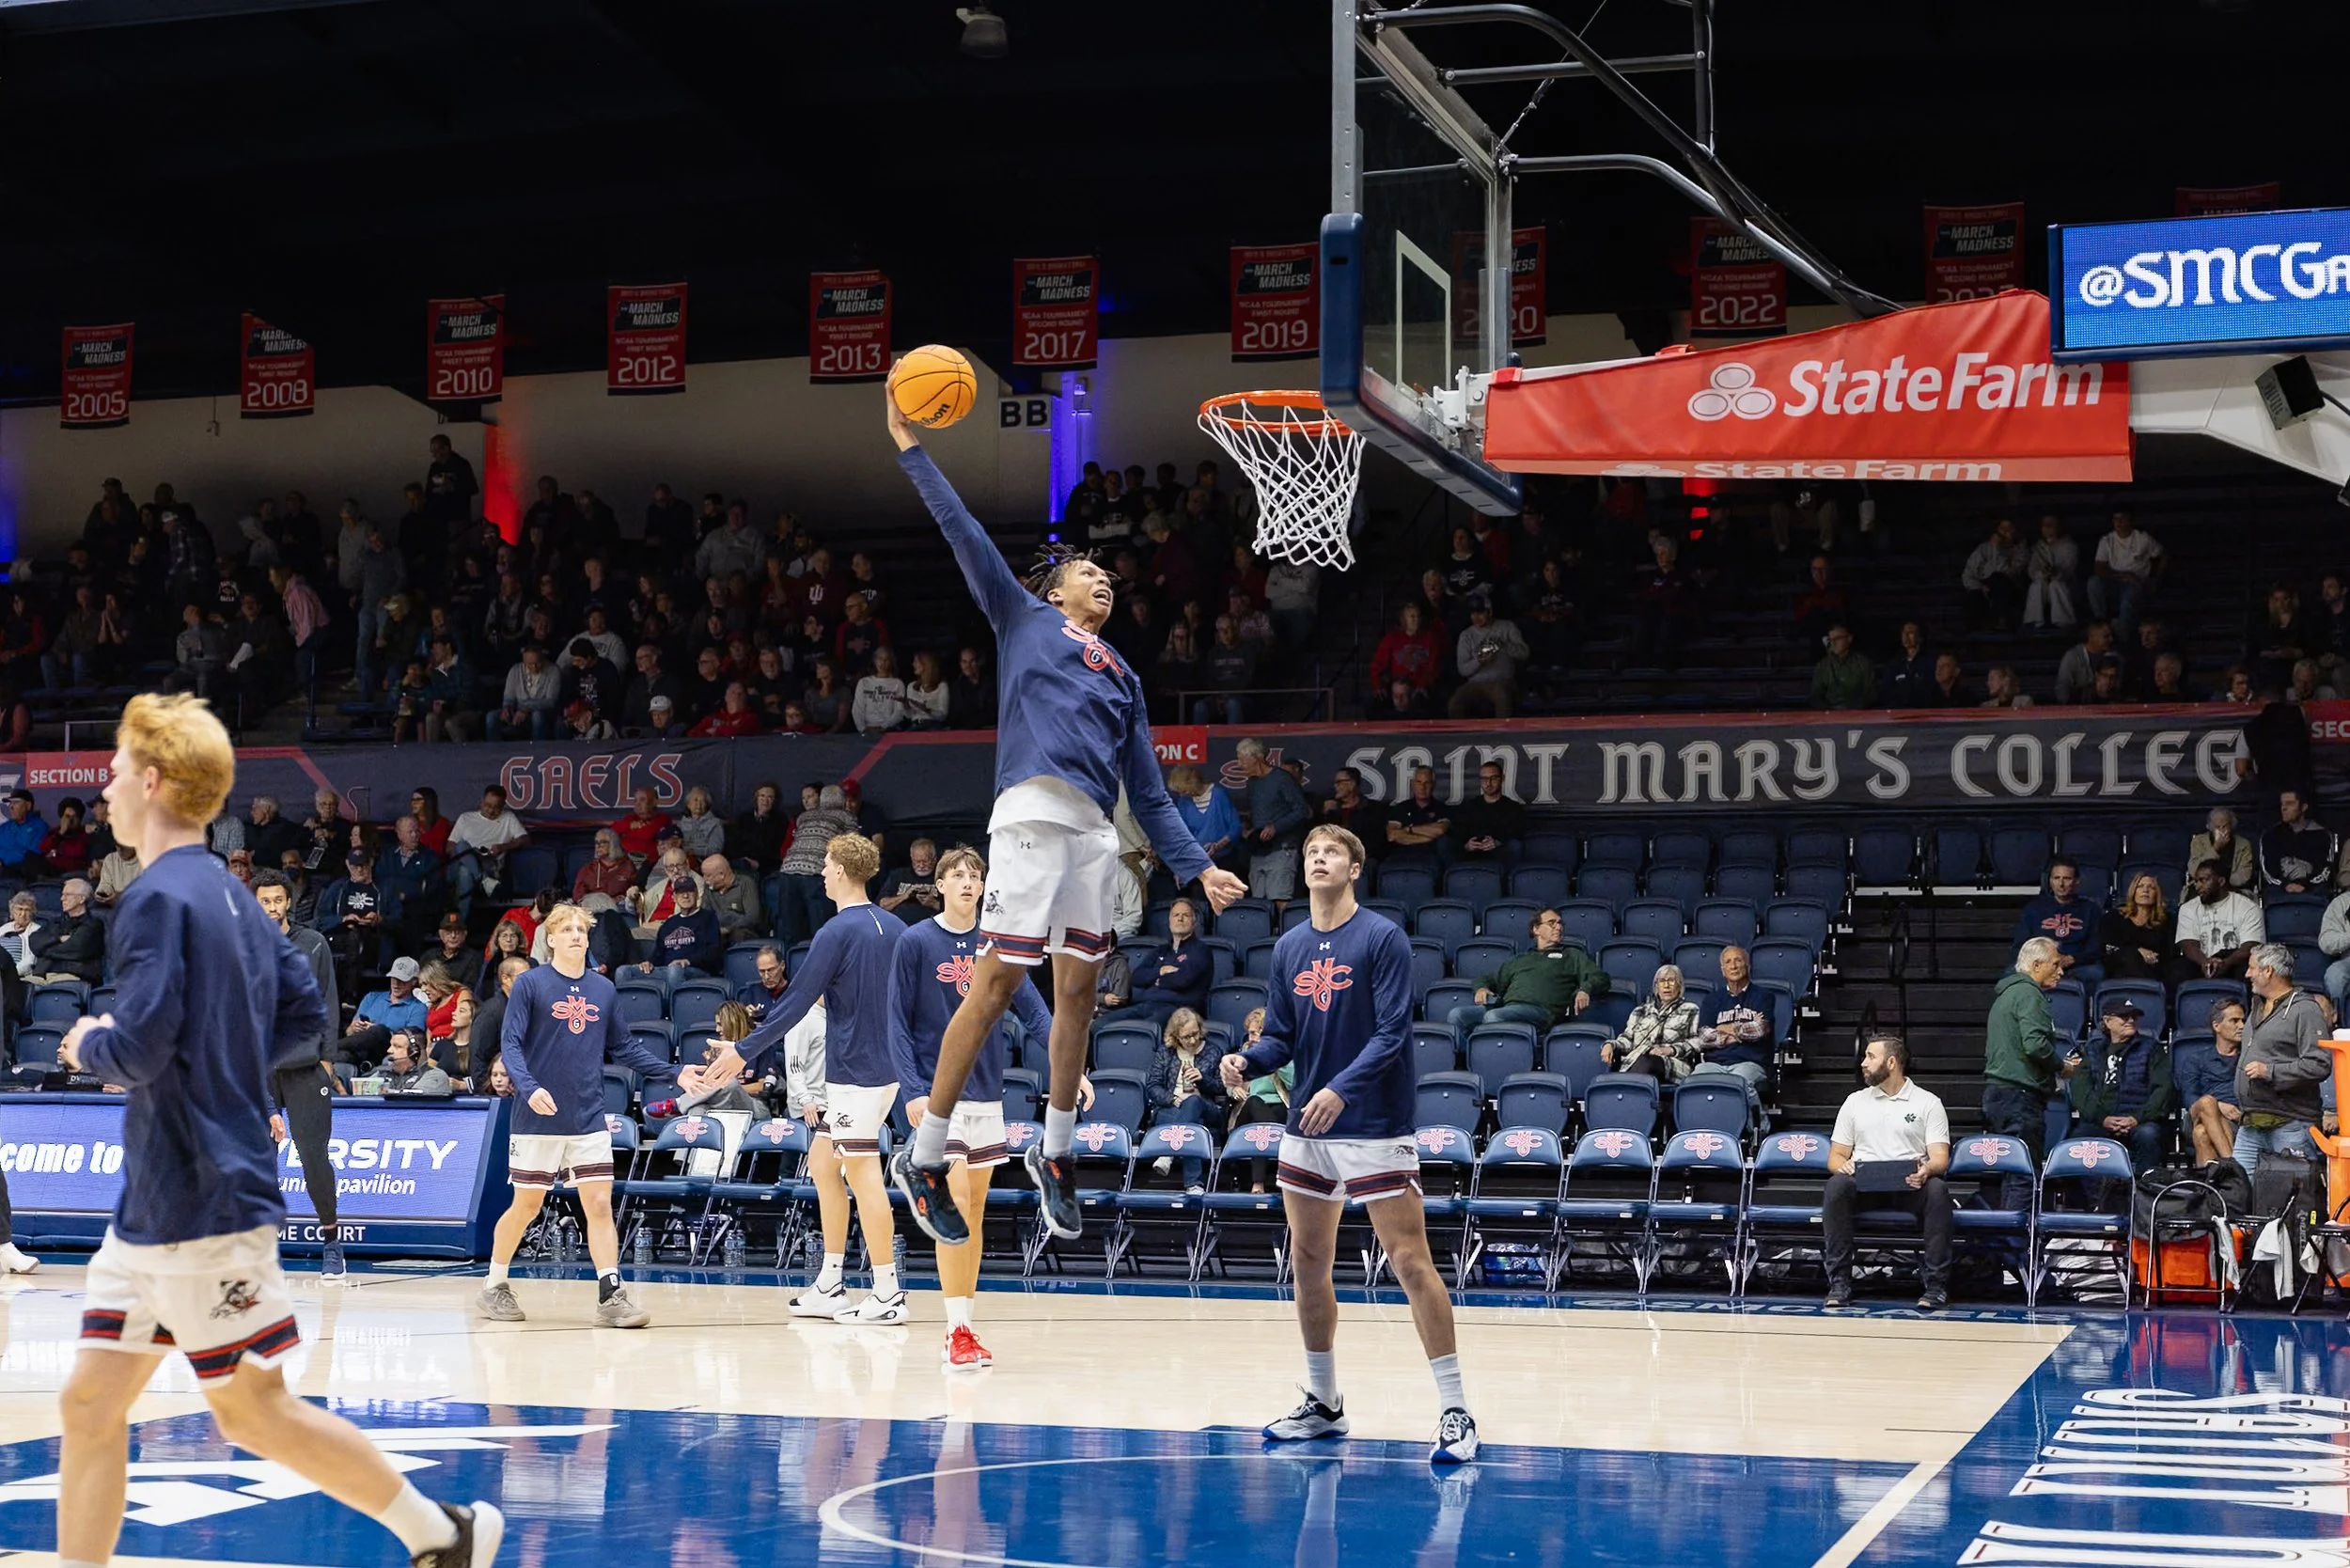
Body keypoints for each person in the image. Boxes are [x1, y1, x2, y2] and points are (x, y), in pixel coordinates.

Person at [55, 694, 501, 1568]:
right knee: (88, 1405)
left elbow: (137, 1048)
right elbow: (303, 1009)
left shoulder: (153, 900)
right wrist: (223, 1058)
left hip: (202, 1200)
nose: (104, 787)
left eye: (112, 771)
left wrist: (86, 1043)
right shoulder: (236, 898)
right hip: (156, 1199)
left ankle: (439, 1534)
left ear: (150, 780)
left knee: (250, 1410)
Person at [884, 391, 1246, 1250]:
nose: (1105, 581)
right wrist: (909, 450)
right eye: (1092, 573)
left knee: (1077, 992)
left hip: (1093, 833)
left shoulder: (1122, 672)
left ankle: (1054, 1153)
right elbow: (963, 531)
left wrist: (1197, 867)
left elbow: (1151, 794)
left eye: (1111, 578)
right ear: (1054, 587)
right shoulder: (1023, 617)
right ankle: (926, 1151)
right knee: (1000, 984)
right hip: (1030, 817)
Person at [1218, 824, 1477, 1464]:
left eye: (1331, 852)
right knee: (1307, 1260)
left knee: (1410, 1261)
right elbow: (1280, 1035)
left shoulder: (1382, 937)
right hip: (1308, 1126)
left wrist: (1339, 1089)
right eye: (1310, 853)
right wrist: (1245, 1062)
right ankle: (1325, 1403)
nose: (1318, 860)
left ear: (1354, 867)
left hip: (1374, 1122)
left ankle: (1456, 1410)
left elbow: (1392, 1034)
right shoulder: (1288, 947)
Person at [689, 834, 906, 1321]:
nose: (822, 872)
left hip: (857, 1072)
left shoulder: (836, 931)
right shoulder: (895, 926)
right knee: (824, 1162)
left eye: (827, 864)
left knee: (862, 1174)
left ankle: (888, 1291)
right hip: (885, 1066)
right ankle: (831, 1281)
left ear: (843, 871)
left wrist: (743, 1049)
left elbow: (796, 1001)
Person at [887, 845, 1057, 1369]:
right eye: (956, 874)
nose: (966, 881)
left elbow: (1033, 1011)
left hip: (986, 1093)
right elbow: (895, 1021)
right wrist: (912, 1090)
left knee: (975, 1210)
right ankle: (955, 1329)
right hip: (937, 1095)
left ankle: (963, 1326)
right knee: (955, 1202)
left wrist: (1072, 1069)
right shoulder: (916, 941)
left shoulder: (998, 946)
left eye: (974, 874)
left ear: (984, 887)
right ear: (939, 885)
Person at [478, 902, 676, 1329]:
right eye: (566, 929)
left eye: (581, 930)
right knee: (527, 1205)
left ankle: (611, 1294)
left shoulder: (603, 989)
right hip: (538, 1116)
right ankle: (495, 1285)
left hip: (588, 1114)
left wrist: (675, 1072)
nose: (575, 936)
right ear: (550, 939)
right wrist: (529, 1090)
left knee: (600, 1203)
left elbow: (625, 1048)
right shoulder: (530, 984)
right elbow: (510, 1046)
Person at [251, 871, 344, 1280]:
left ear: (288, 902)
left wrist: (327, 1059)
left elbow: (328, 1001)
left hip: (307, 1068)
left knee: (313, 1157)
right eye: (264, 901)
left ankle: (331, 1240)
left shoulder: (313, 943)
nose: (272, 908)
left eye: (278, 900)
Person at [1821, 1034, 1953, 1311]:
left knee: (1938, 1189)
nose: (1863, 1063)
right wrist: (1841, 1166)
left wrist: (1927, 1169)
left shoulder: (1928, 1102)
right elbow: (1835, 1156)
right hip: (1866, 1186)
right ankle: (1840, 1282)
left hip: (1909, 1186)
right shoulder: (1855, 1102)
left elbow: (1941, 1158)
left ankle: (1936, 1286)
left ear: (1891, 1062)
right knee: (1836, 1185)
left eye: (1871, 1057)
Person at [1982, 938, 2079, 1209]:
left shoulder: (2007, 995)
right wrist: (2063, 1067)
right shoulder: (2029, 994)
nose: (2061, 971)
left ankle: (2006, 1245)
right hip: (2020, 1097)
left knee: (2011, 1173)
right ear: (2036, 965)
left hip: (1999, 1094)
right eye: (2056, 965)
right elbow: (2035, 1045)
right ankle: (2018, 1248)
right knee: (2024, 1175)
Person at [2234, 944, 2328, 1178]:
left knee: (2294, 1200)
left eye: (2251, 968)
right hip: (2251, 1122)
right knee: (2238, 1193)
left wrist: (2271, 1072)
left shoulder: (2305, 1010)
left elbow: (2320, 1064)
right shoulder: (2256, 1006)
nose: (2247, 974)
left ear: (2268, 971)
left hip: (2290, 1124)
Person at [1447, 909, 1606, 1040]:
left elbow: (1601, 978)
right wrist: (1481, 988)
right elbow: (1488, 979)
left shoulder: (1571, 955)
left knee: (1494, 1017)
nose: (1558, 927)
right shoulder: (1520, 959)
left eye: (1560, 923)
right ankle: (1469, 1058)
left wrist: (1585, 988)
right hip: (1507, 1008)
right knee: (1457, 1015)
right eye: (1552, 923)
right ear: (1536, 929)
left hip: (1541, 1012)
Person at [1146, 1007, 1229, 1193]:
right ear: (1176, 1037)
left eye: (1195, 1034)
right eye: (1186, 1037)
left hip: (1207, 1107)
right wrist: (1173, 1098)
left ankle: (1168, 1152)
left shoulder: (1214, 1051)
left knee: (1193, 1102)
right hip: (1172, 1108)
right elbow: (1153, 1086)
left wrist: (1203, 1079)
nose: (1192, 1040)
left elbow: (1223, 1087)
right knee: (1192, 1122)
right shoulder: (1165, 1053)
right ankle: (1194, 1184)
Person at [1103, 898, 1214, 1025]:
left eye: (1186, 915)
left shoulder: (1201, 950)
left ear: (1194, 923)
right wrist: (1160, 971)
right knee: (1100, 1024)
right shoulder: (1161, 950)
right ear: (1169, 921)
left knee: (1144, 1030)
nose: (1180, 918)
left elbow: (1182, 980)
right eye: (1176, 915)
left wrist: (1157, 981)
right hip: (1145, 1005)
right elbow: (1137, 977)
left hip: (1179, 1010)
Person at [1237, 737, 1310, 909]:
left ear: (1255, 757)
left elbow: (1301, 810)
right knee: (1259, 904)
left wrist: (1276, 827)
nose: (1239, 764)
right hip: (1259, 850)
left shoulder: (1282, 779)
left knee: (1279, 898)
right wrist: (1247, 828)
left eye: (1242, 759)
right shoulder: (1252, 783)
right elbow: (1255, 813)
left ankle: (1285, 935)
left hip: (1281, 848)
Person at [1695, 945, 1776, 1094]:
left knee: (1737, 1086)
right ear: (1723, 970)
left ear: (1748, 965)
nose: (1733, 966)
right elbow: (1704, 1038)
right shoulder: (1711, 1000)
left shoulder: (1764, 996)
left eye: (1738, 960)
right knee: (1695, 1084)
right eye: (1728, 962)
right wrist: (1743, 1032)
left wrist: (1724, 1029)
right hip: (1714, 1064)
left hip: (1750, 1063)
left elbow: (1760, 1030)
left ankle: (1758, 1119)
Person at [1601, 965, 1702, 1083]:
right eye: (1662, 981)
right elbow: (1627, 1040)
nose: (1666, 985)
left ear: (1679, 985)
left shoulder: (1690, 1009)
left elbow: (1696, 1042)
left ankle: (1624, 1090)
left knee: (1650, 1061)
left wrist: (1671, 1049)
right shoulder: (1640, 1011)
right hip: (1637, 1062)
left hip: (1673, 1064)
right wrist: (1610, 1045)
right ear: (1656, 986)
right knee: (1643, 1062)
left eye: (1671, 980)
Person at [445, 785, 531, 921]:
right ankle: (483, 880)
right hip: (461, 864)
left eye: (496, 807)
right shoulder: (466, 818)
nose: (491, 810)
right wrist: (471, 854)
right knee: (462, 847)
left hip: (490, 865)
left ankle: (459, 925)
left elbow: (525, 840)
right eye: (487, 805)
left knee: (465, 872)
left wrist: (503, 847)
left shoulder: (508, 818)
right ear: (481, 801)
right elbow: (450, 848)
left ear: (503, 806)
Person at [2011, 858, 2102, 984]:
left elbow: (2096, 947)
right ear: (2050, 881)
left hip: (2077, 966)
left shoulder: (2091, 910)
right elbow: (2020, 945)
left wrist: (2073, 959)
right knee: (2010, 974)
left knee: (2095, 973)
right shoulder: (2033, 909)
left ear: (2076, 882)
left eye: (2067, 879)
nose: (2061, 884)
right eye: (2056, 878)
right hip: (2040, 964)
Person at [2177, 858, 2264, 980]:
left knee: (2247, 967)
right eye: (2196, 881)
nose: (2197, 886)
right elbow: (2188, 945)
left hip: (2233, 965)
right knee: (2178, 968)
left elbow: (2250, 946)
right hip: (2199, 965)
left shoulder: (2248, 907)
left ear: (2221, 881)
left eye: (2203, 880)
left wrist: (2225, 964)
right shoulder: (2188, 908)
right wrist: (2205, 963)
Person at [2184, 998, 2247, 1164]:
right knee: (2207, 1102)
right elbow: (2189, 1097)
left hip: (2237, 1119)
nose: (2241, 1026)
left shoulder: (2248, 1059)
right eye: (2234, 1021)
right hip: (2198, 1114)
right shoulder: (2197, 1060)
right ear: (2216, 1026)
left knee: (2202, 1133)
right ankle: (2234, 1165)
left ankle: (2210, 1187)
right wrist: (2217, 1107)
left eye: (2243, 1021)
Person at [1448, 593, 1529, 719]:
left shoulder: (1506, 627)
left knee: (1502, 696)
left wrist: (1503, 645)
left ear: (1489, 612)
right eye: (1473, 613)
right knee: (1455, 702)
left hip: (1501, 680)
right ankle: (1463, 738)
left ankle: (1502, 736)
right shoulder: (1466, 635)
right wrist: (1480, 661)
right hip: (1475, 683)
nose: (1476, 617)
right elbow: (1463, 669)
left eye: (1480, 612)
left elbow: (1524, 653)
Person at [2099, 872, 2180, 985]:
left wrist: (2153, 958)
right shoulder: (2114, 917)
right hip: (2121, 969)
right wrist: (2138, 951)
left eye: (2151, 887)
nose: (2145, 890)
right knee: (2130, 957)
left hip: (2155, 970)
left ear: (2157, 894)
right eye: (2140, 886)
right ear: (2133, 891)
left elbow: (2169, 954)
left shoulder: (2166, 921)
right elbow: (2107, 948)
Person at [1447, 760, 1525, 865]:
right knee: (1446, 844)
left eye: (1494, 778)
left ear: (1502, 779)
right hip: (1472, 854)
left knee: (1515, 845)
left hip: (1500, 854)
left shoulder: (1513, 807)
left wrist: (1497, 842)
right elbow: (1457, 832)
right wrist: (1467, 845)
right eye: (1484, 779)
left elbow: (1517, 832)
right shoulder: (1469, 806)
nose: (1489, 783)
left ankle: (1509, 880)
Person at [2260, 789, 2337, 893]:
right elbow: (2267, 871)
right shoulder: (2270, 835)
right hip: (2278, 891)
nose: (2284, 808)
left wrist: (2305, 885)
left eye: (2290, 803)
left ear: (2304, 807)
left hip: (2314, 891)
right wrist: (2285, 884)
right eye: (2282, 804)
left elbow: (2325, 869)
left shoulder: (2323, 835)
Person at [1167, 763, 1242, 870]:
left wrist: (1217, 845)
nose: (1182, 795)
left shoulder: (1218, 794)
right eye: (1179, 792)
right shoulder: (1184, 802)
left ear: (1193, 782)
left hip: (1225, 859)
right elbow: (1184, 834)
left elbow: (1235, 827)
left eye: (1184, 791)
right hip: (1198, 862)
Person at [642, 876, 723, 976]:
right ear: (674, 897)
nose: (685, 896)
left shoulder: (708, 918)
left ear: (697, 894)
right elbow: (658, 954)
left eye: (690, 891)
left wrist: (688, 961)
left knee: (675, 970)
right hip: (665, 971)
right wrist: (649, 963)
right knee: (624, 971)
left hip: (695, 970)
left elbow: (713, 952)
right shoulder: (668, 924)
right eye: (681, 892)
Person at [1961, 519, 2027, 630]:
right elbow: (1968, 574)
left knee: (1999, 580)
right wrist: (1981, 587)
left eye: (2009, 528)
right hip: (1984, 589)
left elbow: (2008, 572)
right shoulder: (1983, 548)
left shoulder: (2021, 551)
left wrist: (1997, 549)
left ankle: (2001, 621)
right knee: (1973, 598)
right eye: (2002, 528)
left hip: (2009, 591)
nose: (2005, 532)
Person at [2024, 513, 2079, 631]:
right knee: (2036, 585)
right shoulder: (2038, 547)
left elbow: (2068, 570)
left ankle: (2065, 622)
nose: (2048, 528)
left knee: (2056, 585)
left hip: (2065, 585)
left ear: (2059, 527)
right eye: (2045, 525)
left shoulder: (2069, 546)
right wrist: (2042, 574)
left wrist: (2056, 573)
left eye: (2051, 525)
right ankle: (2034, 621)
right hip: (2044, 584)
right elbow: (2032, 570)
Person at [2186, 807, 2257, 898]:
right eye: (2217, 827)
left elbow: (2244, 875)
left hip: (2234, 889)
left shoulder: (2243, 845)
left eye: (2225, 826)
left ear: (2231, 826)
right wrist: (2215, 848)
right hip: (2203, 888)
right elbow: (2194, 870)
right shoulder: (2198, 842)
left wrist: (2221, 885)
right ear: (2211, 827)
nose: (2221, 830)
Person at [1810, 624, 1875, 710]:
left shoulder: (1863, 663)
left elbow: (1871, 693)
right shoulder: (1823, 665)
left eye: (1837, 639)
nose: (1833, 643)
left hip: (1858, 713)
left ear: (1849, 638)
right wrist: (1828, 711)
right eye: (1830, 640)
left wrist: (1856, 709)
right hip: (1830, 714)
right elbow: (1815, 695)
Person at [699, 855, 762, 943]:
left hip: (742, 932)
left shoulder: (745, 884)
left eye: (708, 875)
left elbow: (752, 917)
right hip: (717, 933)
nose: (704, 879)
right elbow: (704, 915)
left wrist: (728, 929)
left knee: (738, 934)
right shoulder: (709, 887)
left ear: (721, 874)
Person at [378, 1028, 453, 1095]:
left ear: (414, 1052)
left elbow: (410, 1102)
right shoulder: (382, 1074)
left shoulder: (436, 1076)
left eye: (397, 1046)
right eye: (391, 1046)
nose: (389, 1051)